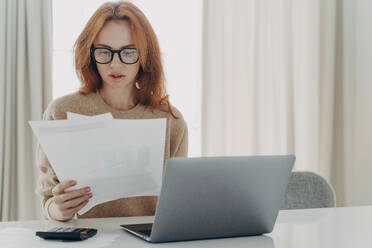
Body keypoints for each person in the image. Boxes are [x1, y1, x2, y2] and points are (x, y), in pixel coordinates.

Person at [36, 1, 188, 221]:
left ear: (145, 55)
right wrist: (59, 209)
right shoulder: (61, 112)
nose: (115, 65)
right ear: (90, 54)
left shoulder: (171, 121)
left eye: (128, 52)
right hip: (86, 239)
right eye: (104, 52)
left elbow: (178, 203)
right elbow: (48, 199)